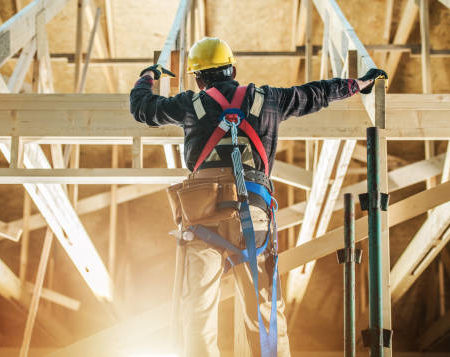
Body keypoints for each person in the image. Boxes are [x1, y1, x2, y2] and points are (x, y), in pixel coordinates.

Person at [130, 37, 387, 357]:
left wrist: (148, 76)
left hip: (200, 217)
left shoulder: (189, 104)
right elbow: (316, 93)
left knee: (197, 311)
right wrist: (358, 83)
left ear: (198, 77)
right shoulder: (268, 100)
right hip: (252, 215)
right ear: (233, 69)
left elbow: (142, 108)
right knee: (264, 311)